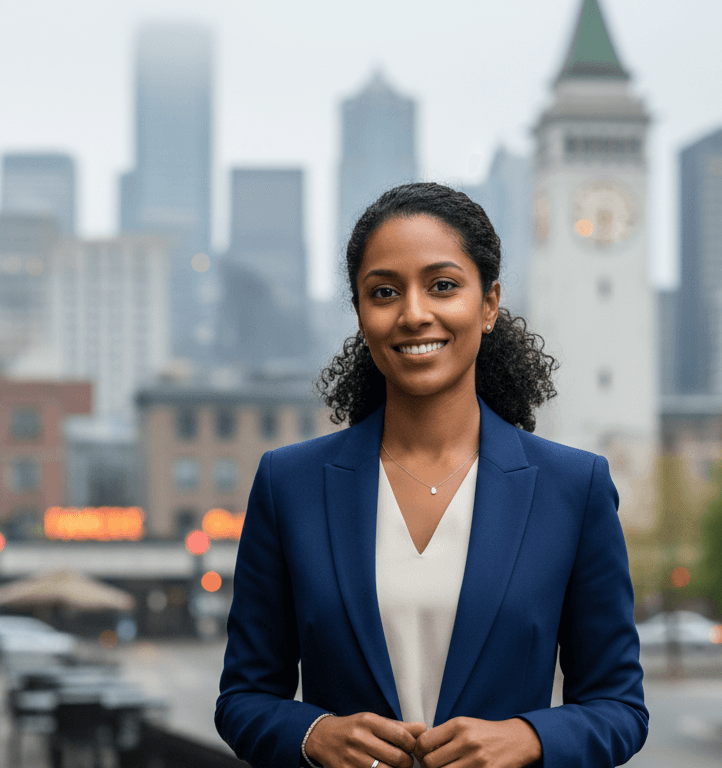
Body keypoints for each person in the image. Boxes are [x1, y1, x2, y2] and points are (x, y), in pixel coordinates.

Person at [215, 183, 647, 768]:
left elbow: (620, 707)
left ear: (489, 303)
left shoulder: (574, 488)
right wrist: (313, 733)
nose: (414, 313)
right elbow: (242, 697)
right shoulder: (288, 484)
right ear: (362, 316)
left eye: (443, 286)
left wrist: (528, 738)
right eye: (384, 292)